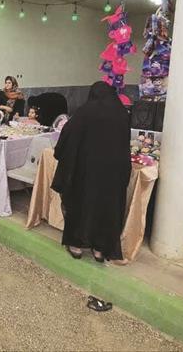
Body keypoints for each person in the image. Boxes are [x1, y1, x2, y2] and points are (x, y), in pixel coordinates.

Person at [52, 81, 131, 262]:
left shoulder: (85, 112)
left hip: (86, 172)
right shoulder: (121, 113)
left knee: (81, 205)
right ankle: (99, 249)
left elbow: (68, 134)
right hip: (112, 174)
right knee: (105, 209)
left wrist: (60, 152)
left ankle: (76, 245)